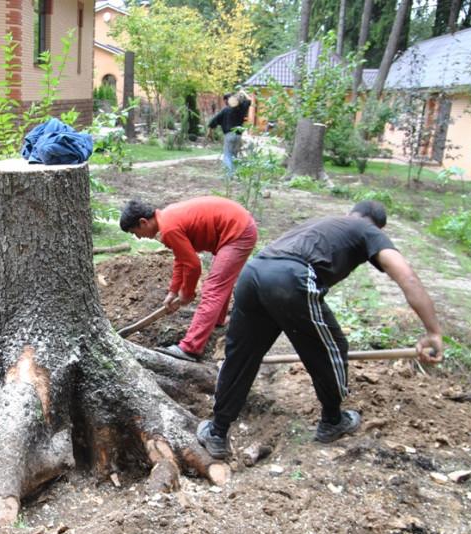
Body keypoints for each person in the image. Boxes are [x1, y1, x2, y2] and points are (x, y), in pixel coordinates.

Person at [196, 200, 443, 459]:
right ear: (378, 226)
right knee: (332, 348)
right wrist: (433, 331)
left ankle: (217, 431)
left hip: (254, 272)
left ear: (351, 213)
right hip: (290, 278)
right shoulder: (369, 230)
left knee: (241, 355)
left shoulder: (324, 223)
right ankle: (333, 420)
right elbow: (407, 276)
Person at [119, 196, 258, 362]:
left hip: (238, 232)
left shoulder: (169, 228)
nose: (139, 238)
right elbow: (181, 259)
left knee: (213, 288)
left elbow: (193, 266)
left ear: (143, 222)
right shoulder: (166, 220)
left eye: (135, 233)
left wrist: (187, 292)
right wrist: (173, 291)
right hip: (237, 227)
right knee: (219, 282)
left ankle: (190, 348)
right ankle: (218, 321)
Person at [207, 91, 251, 177]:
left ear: (226, 101)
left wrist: (209, 133)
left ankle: (229, 175)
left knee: (227, 154)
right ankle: (235, 174)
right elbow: (249, 100)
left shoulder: (225, 110)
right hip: (238, 135)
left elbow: (212, 122)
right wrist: (243, 92)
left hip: (229, 135)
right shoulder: (241, 108)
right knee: (234, 155)